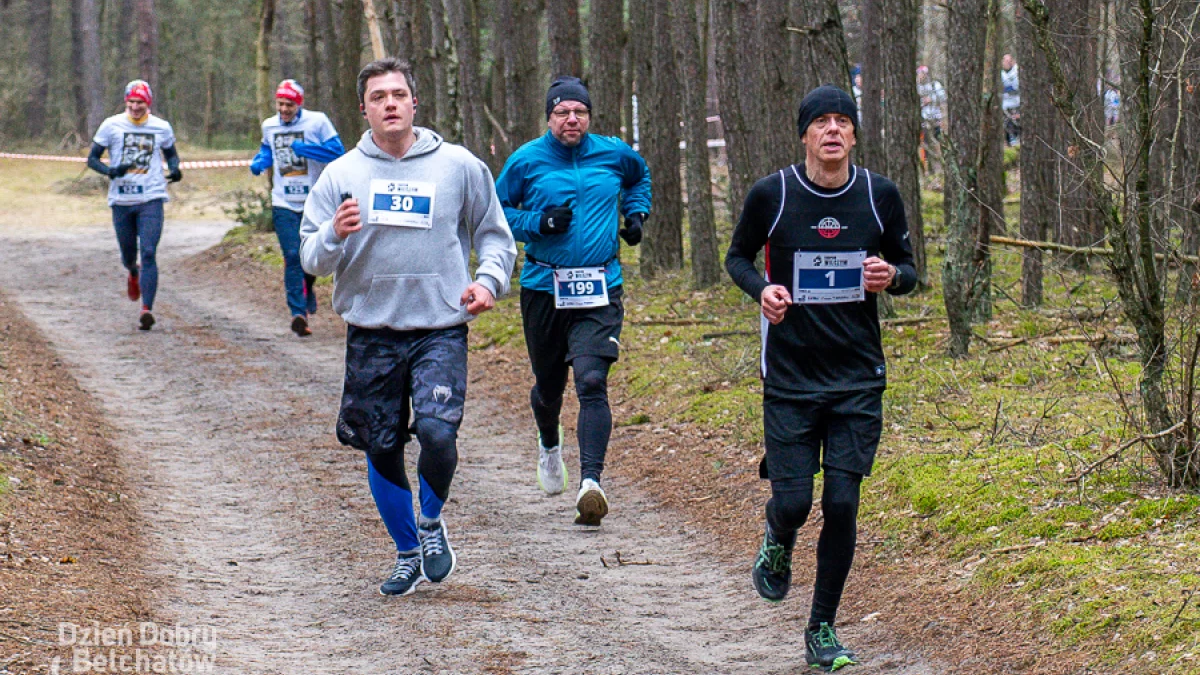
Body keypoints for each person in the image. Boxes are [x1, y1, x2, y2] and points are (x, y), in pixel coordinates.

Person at [299, 58, 515, 596]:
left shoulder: (458, 165)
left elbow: (494, 235)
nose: (390, 104)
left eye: (398, 94)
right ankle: (406, 553)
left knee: (438, 432)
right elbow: (310, 258)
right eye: (379, 97)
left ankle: (431, 523)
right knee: (381, 444)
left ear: (415, 102)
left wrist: (488, 281)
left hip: (440, 323)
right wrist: (332, 233)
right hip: (372, 328)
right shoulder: (341, 174)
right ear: (364, 109)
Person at [725, 84, 917, 672]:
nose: (832, 130)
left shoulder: (880, 195)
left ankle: (822, 628)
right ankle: (777, 534)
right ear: (805, 135)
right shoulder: (773, 194)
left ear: (854, 134)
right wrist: (763, 291)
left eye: (842, 121)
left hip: (857, 375)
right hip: (790, 376)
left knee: (841, 501)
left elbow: (909, 271)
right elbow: (736, 258)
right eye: (821, 122)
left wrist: (892, 277)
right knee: (794, 502)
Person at [495, 77, 651, 527]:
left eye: (580, 112)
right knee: (549, 389)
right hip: (544, 287)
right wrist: (539, 222)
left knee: (591, 381)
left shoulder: (613, 152)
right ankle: (549, 443)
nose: (572, 120)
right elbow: (497, 212)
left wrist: (636, 214)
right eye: (562, 112)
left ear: (589, 116)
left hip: (600, 286)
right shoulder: (526, 160)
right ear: (549, 117)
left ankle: (590, 483)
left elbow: (639, 178)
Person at [250, 79, 345, 337]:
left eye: (289, 105)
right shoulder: (269, 125)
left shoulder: (318, 122)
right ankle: (298, 313)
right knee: (292, 255)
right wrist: (260, 162)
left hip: (314, 202)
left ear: (299, 104)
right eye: (280, 104)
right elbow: (267, 149)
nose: (284, 109)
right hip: (283, 202)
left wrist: (306, 149)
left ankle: (307, 287)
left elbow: (337, 152)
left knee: (309, 255)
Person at [87, 79, 182, 331]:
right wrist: (110, 171)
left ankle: (146, 309)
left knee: (149, 252)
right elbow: (92, 159)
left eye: (140, 102)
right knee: (129, 255)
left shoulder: (161, 127)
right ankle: (133, 271)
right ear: (125, 102)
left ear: (148, 103)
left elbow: (171, 153)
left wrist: (174, 168)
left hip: (151, 198)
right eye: (131, 102)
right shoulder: (111, 125)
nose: (135, 107)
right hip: (121, 201)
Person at [1001, 54, 1021, 146]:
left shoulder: (1016, 71)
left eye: (1009, 61)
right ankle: (1009, 141)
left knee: (1015, 123)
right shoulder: (1001, 74)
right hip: (1005, 105)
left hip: (1016, 103)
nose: (1007, 63)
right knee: (1006, 124)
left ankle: (1016, 140)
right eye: (1005, 61)